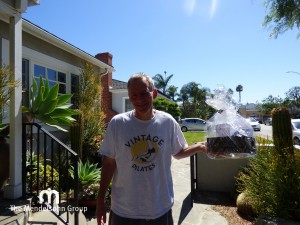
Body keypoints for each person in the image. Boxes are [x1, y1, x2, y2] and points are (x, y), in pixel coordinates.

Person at [96, 72, 207, 225]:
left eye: (144, 93)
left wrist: (200, 147)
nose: (139, 99)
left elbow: (178, 152)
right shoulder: (118, 124)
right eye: (134, 95)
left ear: (154, 93)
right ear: (129, 95)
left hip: (159, 208)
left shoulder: (167, 122)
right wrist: (100, 199)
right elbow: (109, 163)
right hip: (124, 211)